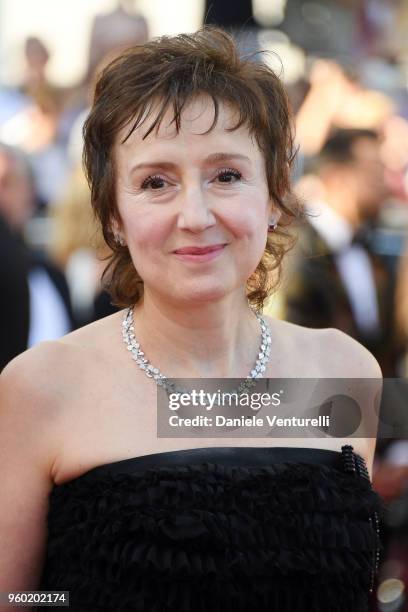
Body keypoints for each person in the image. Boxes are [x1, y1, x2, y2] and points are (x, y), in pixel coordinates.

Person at [0, 28, 383, 611]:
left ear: (274, 194)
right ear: (114, 218)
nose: (196, 215)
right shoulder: (41, 388)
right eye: (156, 183)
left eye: (226, 175)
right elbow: (21, 598)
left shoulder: (346, 370)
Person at [283, 128, 404, 376]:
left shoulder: (369, 250)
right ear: (335, 176)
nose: (385, 183)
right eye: (374, 171)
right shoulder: (294, 249)